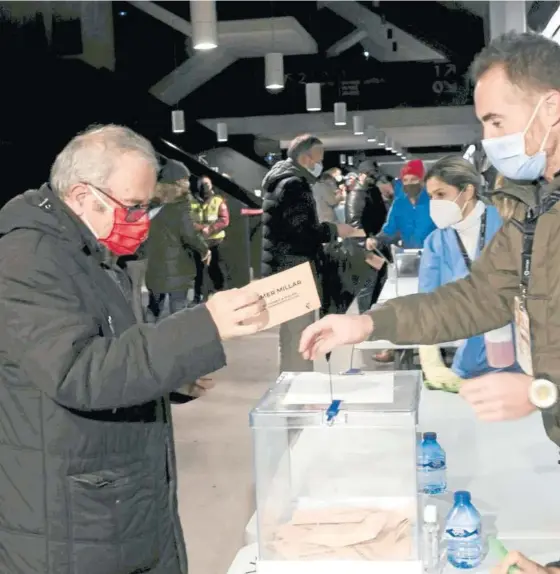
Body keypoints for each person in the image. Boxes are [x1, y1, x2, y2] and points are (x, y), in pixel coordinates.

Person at [0, 124, 265, 574]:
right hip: (71, 514)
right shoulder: (28, 258)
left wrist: (172, 375)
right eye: (135, 206)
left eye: (148, 206)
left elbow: (110, 348)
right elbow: (79, 371)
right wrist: (206, 325)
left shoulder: (86, 250)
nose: (141, 220)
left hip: (110, 493)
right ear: (84, 196)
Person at [301, 31, 560, 465]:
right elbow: (477, 297)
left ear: (550, 108)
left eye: (496, 121)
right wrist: (366, 324)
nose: (489, 137)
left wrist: (544, 390)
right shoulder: (536, 206)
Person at [260, 133, 360, 372]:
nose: (321, 163)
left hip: (281, 265)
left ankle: (292, 382)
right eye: (319, 157)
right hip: (294, 268)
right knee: (300, 333)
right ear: (306, 158)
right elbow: (302, 231)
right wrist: (336, 230)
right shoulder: (294, 184)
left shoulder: (281, 180)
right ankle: (297, 387)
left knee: (292, 333)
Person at [418, 156, 518, 390]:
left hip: (521, 359)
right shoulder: (436, 242)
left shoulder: (509, 226)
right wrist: (431, 362)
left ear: (468, 190)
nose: (435, 203)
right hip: (470, 364)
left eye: (441, 194)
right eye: (431, 197)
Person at [146, 157, 210, 318]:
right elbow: (189, 234)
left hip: (153, 264)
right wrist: (204, 250)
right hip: (179, 266)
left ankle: (147, 339)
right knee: (179, 310)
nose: (188, 183)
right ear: (177, 182)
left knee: (154, 307)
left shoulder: (150, 203)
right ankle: (177, 340)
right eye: (185, 180)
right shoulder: (181, 205)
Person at [346, 165, 388, 313]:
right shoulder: (356, 194)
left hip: (376, 244)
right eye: (371, 176)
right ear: (362, 175)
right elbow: (354, 222)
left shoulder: (372, 191)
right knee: (367, 286)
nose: (373, 179)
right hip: (365, 248)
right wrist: (364, 242)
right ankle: (366, 318)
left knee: (379, 282)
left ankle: (372, 315)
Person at [369, 159, 436, 251]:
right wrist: (376, 240)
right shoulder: (399, 204)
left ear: (422, 181)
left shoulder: (434, 202)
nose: (409, 183)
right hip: (409, 257)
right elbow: (390, 230)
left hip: (434, 257)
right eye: (405, 180)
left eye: (414, 179)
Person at [191, 175, 230, 302]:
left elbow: (224, 220)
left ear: (212, 185)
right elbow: (187, 220)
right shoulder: (191, 201)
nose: (205, 187)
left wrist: (211, 228)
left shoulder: (218, 201)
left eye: (207, 184)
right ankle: (199, 297)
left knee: (216, 270)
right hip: (199, 241)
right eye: (202, 184)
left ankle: (221, 295)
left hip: (216, 241)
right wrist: (201, 228)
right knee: (199, 272)